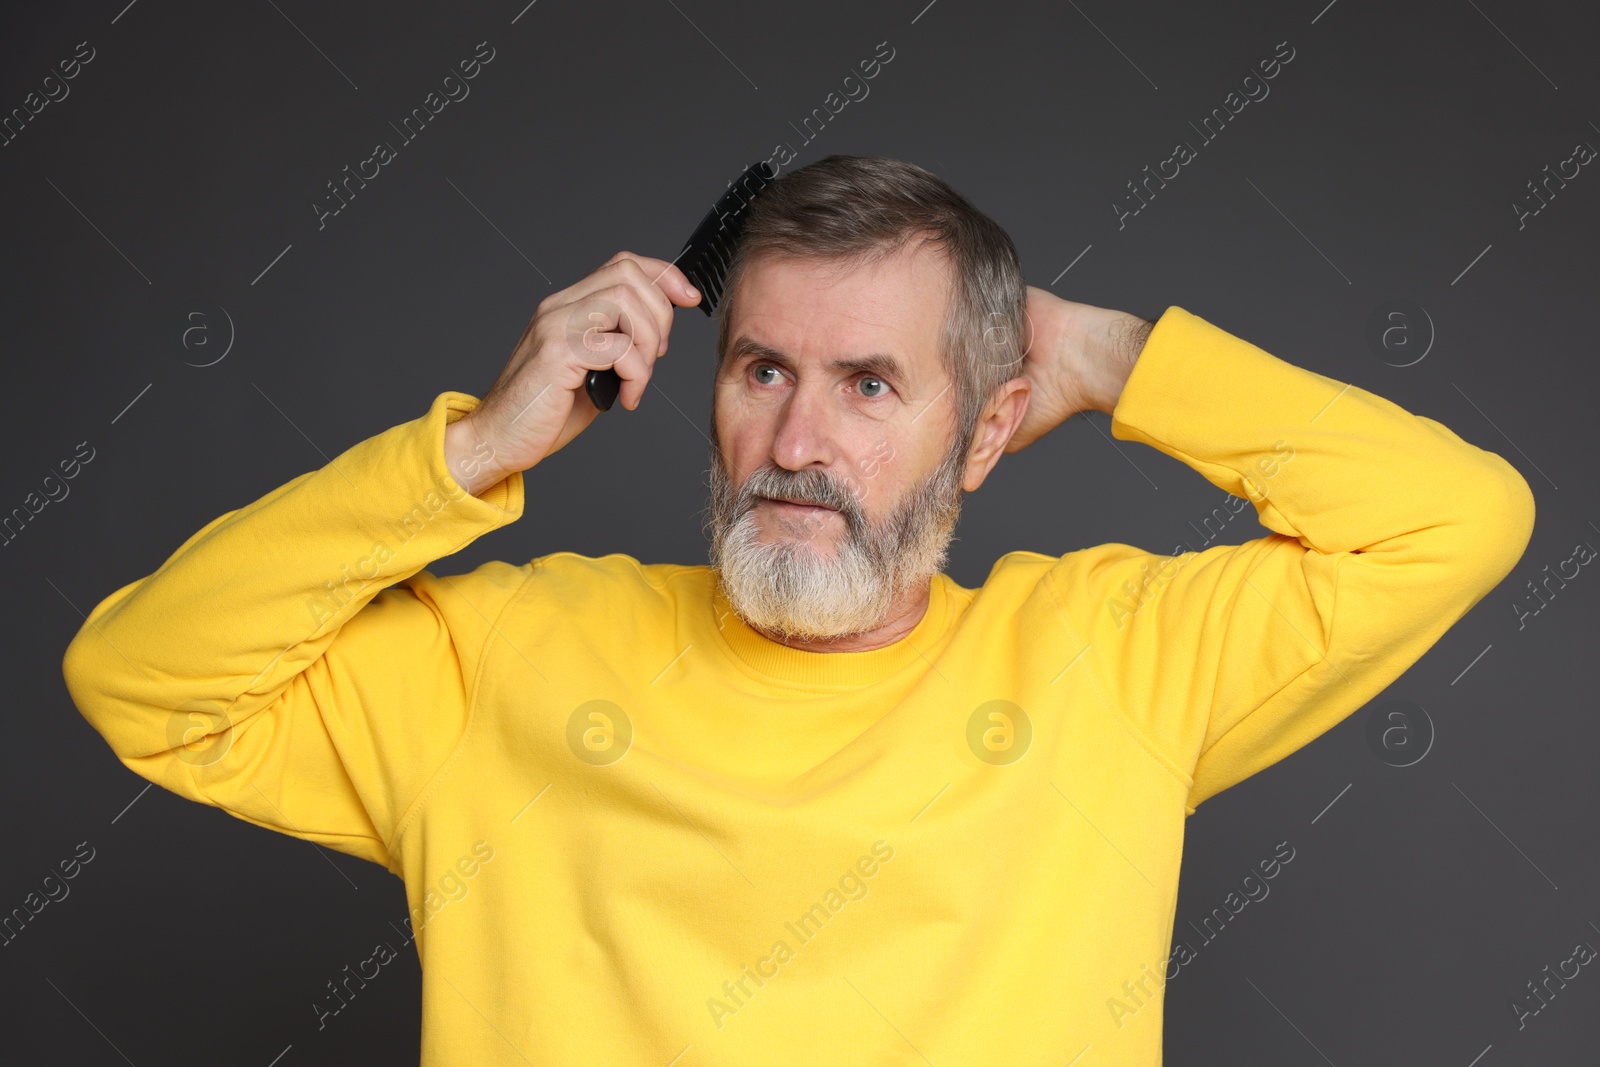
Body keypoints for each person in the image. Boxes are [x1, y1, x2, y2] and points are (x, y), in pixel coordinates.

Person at [62, 155, 1535, 1065]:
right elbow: (141, 678)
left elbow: (1457, 518)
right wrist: (469, 454)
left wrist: (1111, 357)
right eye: (762, 369)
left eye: (871, 383)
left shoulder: (1112, 666)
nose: (798, 441)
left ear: (988, 428)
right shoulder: (505, 657)